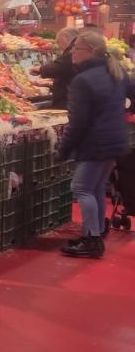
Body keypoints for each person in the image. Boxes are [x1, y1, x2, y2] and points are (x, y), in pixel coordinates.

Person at [58, 30, 134, 258]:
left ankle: (91, 239)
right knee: (96, 187)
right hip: (115, 139)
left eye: (76, 48)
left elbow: (78, 123)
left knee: (81, 188)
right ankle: (97, 230)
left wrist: (64, 149)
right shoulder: (116, 71)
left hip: (95, 142)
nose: (72, 52)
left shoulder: (82, 81)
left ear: (90, 51)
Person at [32, 27, 78, 109]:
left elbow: (59, 66)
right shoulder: (74, 50)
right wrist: (49, 83)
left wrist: (40, 69)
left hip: (67, 100)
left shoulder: (72, 51)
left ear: (66, 37)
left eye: (58, 41)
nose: (58, 45)